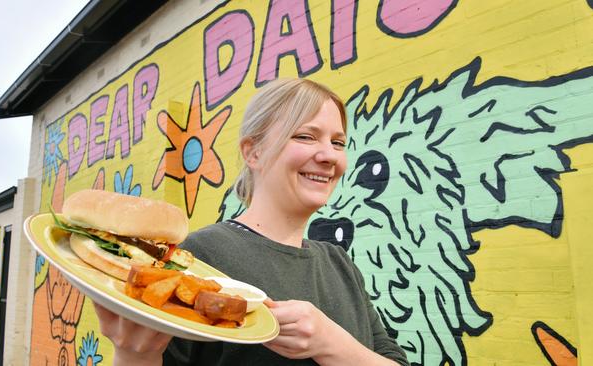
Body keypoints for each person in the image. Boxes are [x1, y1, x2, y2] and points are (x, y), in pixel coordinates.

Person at [94, 78, 410, 365]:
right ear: (253, 152)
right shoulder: (199, 257)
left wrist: (329, 342)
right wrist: (134, 354)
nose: (329, 156)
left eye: (338, 143)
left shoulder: (339, 263)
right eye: (305, 136)